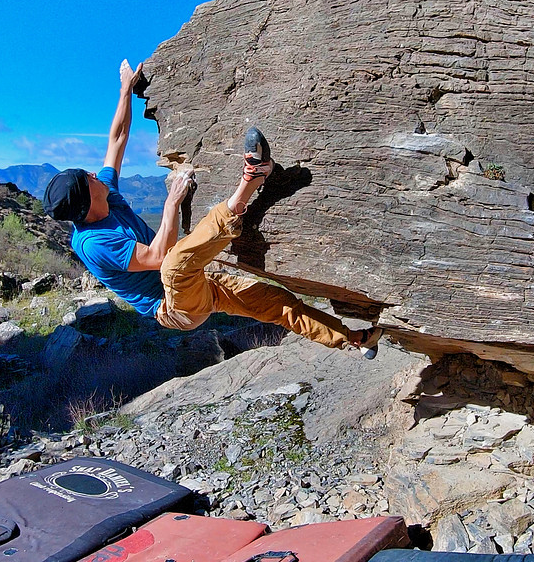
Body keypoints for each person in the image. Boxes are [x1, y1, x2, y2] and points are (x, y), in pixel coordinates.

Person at [44, 59, 383, 358]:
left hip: (197, 284)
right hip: (175, 307)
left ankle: (353, 339)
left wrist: (125, 90)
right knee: (173, 264)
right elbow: (160, 257)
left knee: (275, 303)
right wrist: (172, 203)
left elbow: (117, 139)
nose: (94, 174)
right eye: (88, 179)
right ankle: (250, 181)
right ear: (86, 203)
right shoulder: (94, 243)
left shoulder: (105, 194)